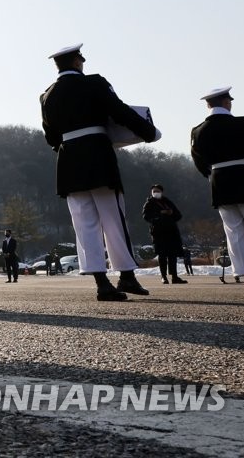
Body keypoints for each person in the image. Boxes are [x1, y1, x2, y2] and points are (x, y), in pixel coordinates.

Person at [40, 43, 159, 301]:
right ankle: (126, 275)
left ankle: (101, 282)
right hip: (97, 155)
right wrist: (148, 132)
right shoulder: (93, 83)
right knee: (114, 220)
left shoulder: (47, 95)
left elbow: (51, 137)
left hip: (69, 161)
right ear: (76, 62)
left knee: (84, 224)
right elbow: (119, 110)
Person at [190, 86, 244, 294]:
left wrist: (213, 176)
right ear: (227, 103)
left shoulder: (198, 131)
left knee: (234, 231)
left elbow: (199, 162)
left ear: (208, 105)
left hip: (219, 183)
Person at [141, 184, 187, 285]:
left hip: (171, 231)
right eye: (153, 191)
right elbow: (146, 216)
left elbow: (178, 215)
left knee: (173, 255)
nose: (155, 193)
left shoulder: (168, 202)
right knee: (162, 255)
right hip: (158, 232)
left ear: (162, 192)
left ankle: (174, 276)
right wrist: (159, 214)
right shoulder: (149, 203)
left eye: (157, 191)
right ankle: (163, 276)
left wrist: (171, 213)